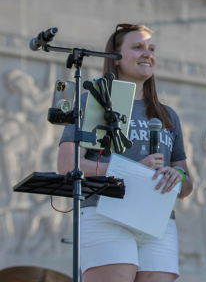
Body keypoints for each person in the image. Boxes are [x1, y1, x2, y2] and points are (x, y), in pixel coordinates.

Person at [58, 24, 193, 282]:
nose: (148, 54)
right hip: (105, 214)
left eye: (151, 49)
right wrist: (131, 171)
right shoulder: (93, 101)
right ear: (116, 58)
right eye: (138, 47)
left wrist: (177, 176)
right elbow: (66, 164)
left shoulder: (167, 115)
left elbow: (187, 187)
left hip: (158, 220)